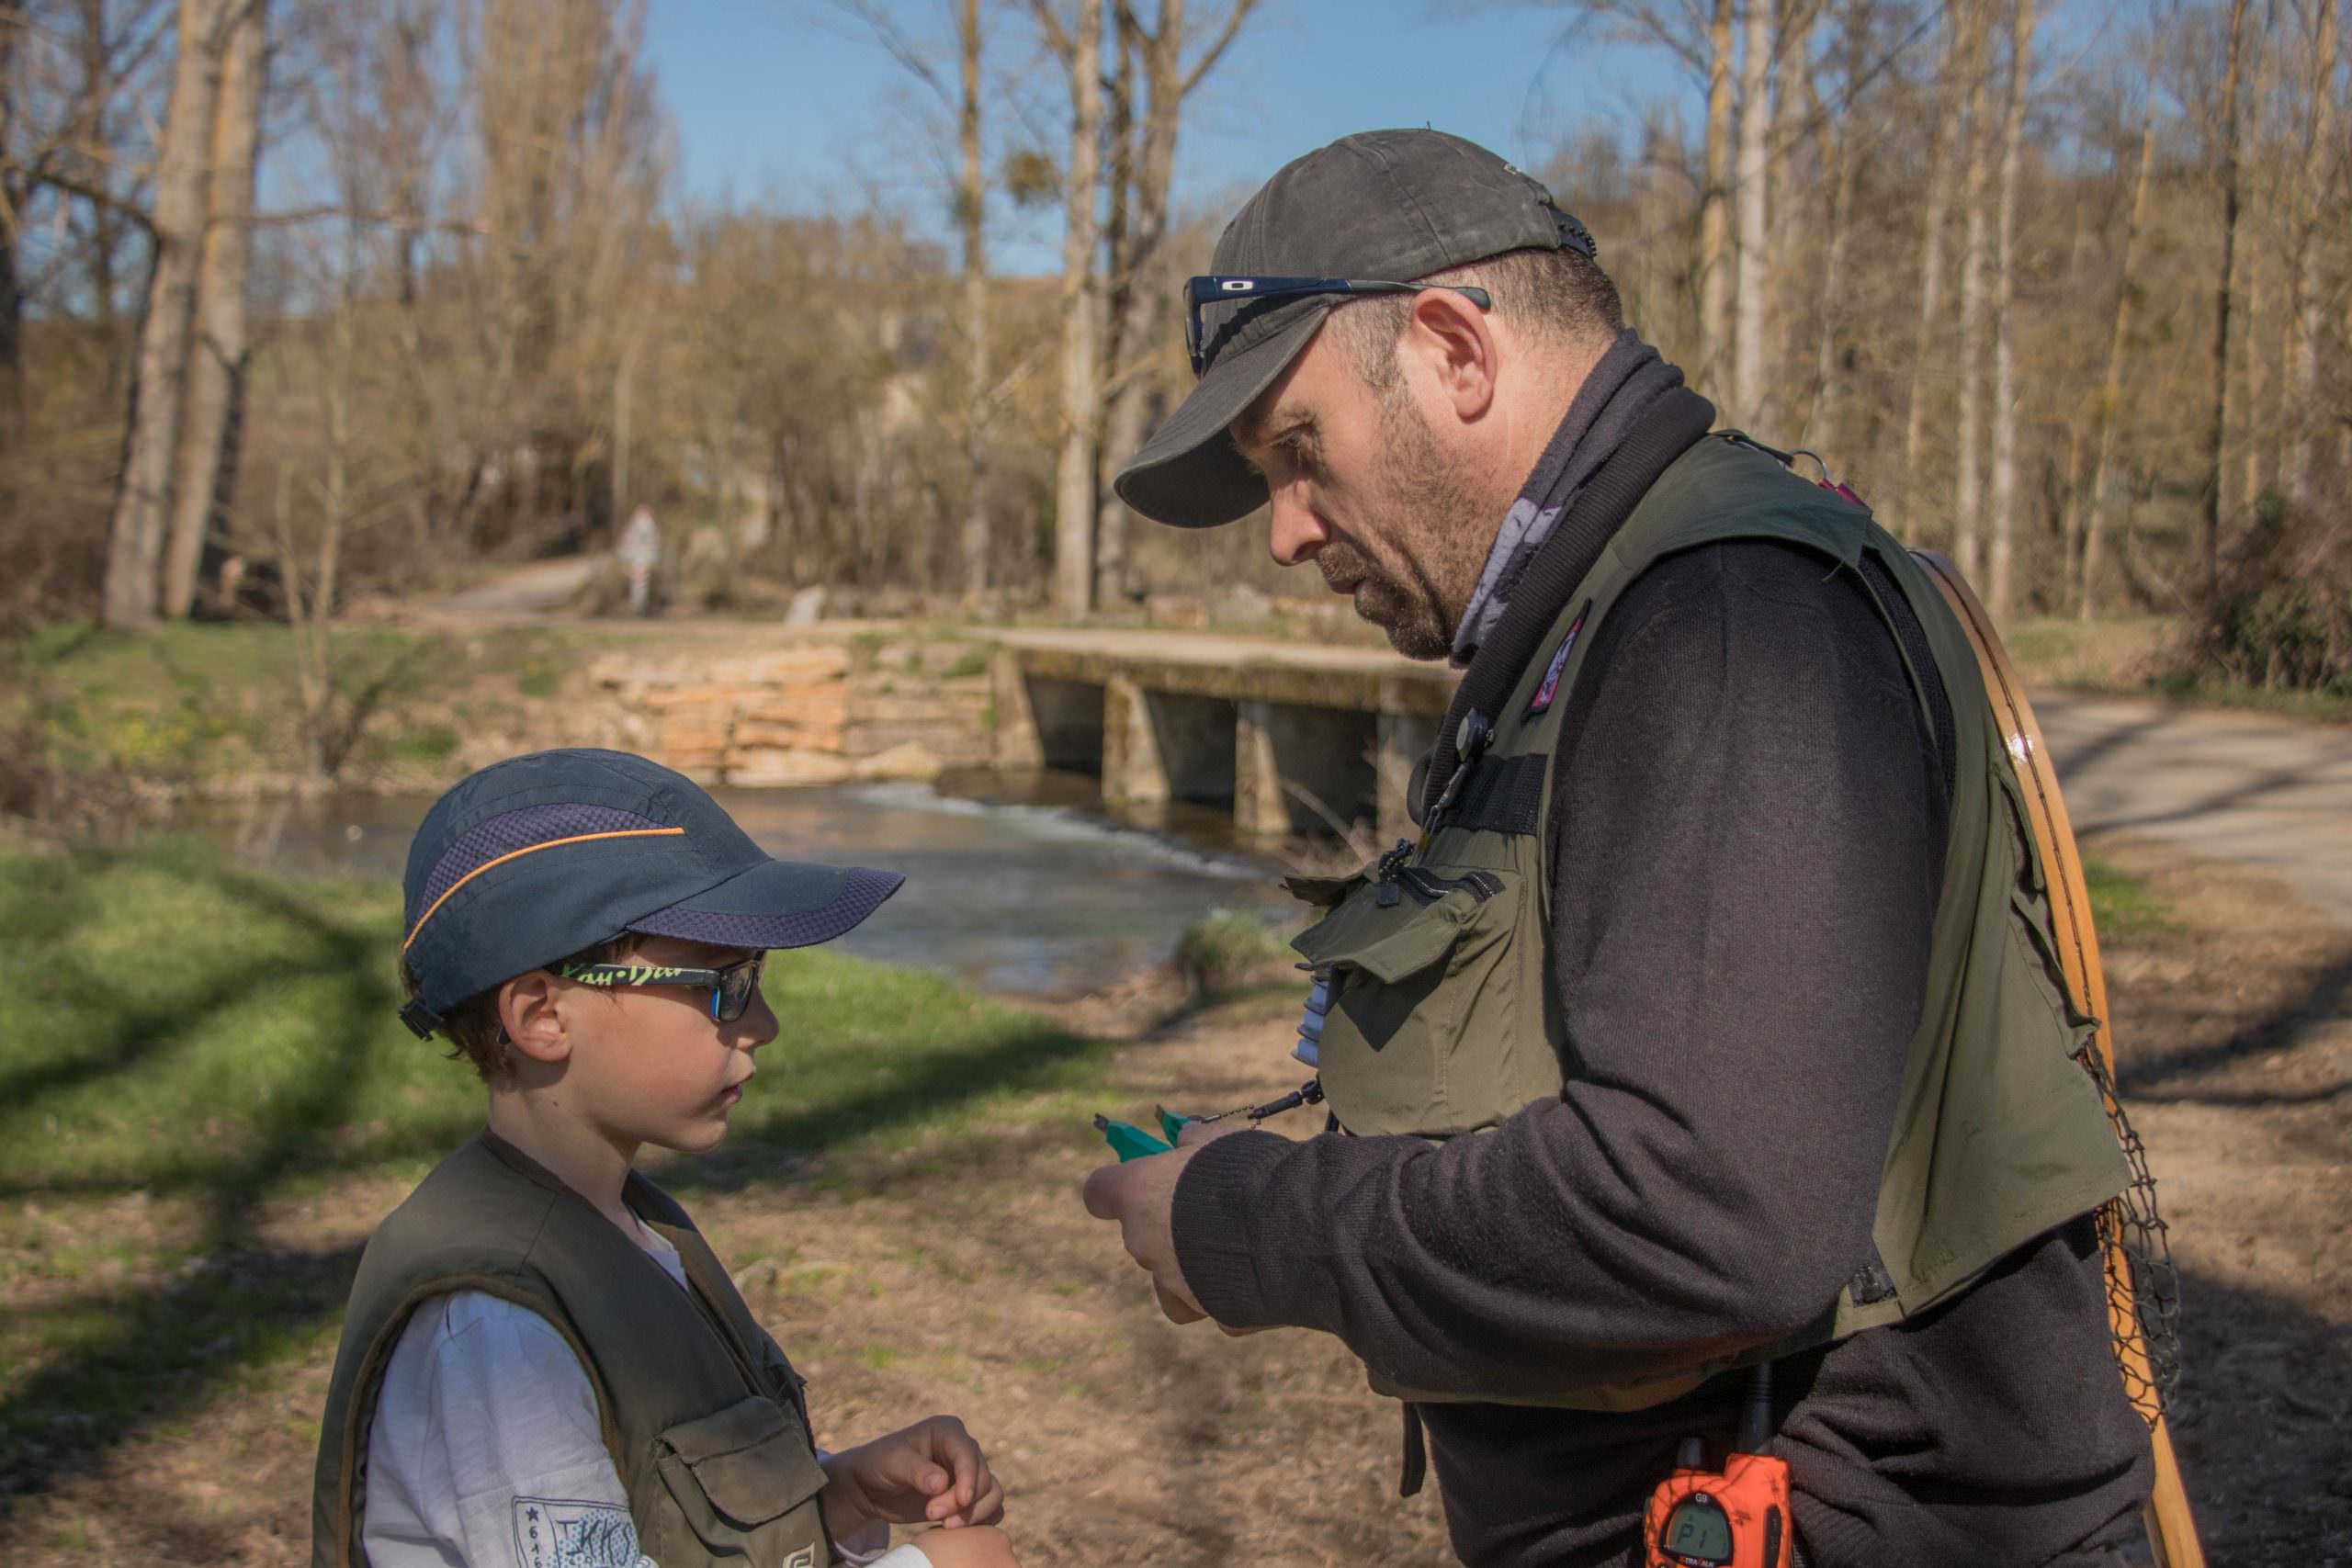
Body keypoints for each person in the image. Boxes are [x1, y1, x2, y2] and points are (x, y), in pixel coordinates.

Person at [1080, 129, 2155, 1567]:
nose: (1282, 532)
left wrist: (1243, 1220)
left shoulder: (1724, 618)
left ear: (1457, 350)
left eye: (1298, 451)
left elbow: (1703, 1207)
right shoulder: (1604, 612)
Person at [312, 748, 1018, 1568]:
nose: (764, 1024)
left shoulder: (632, 1227)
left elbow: (661, 1520)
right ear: (543, 1015)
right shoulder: (497, 1333)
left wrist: (837, 1499)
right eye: (725, 985)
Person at [618, 505, 662, 617]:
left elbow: (654, 542)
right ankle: (638, 607)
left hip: (641, 559)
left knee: (640, 583)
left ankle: (639, 607)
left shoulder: (642, 526)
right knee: (639, 583)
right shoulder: (645, 526)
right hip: (639, 559)